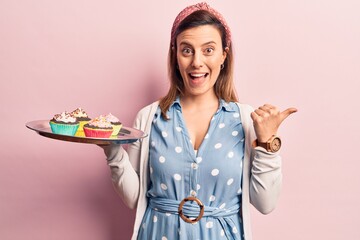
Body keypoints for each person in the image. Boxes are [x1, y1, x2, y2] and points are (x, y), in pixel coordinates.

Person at [101, 2, 297, 240]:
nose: (196, 62)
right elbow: (134, 197)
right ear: (175, 56)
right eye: (186, 50)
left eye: (208, 50)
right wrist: (112, 150)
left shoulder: (245, 120)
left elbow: (265, 204)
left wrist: (267, 143)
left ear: (224, 55)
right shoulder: (149, 117)